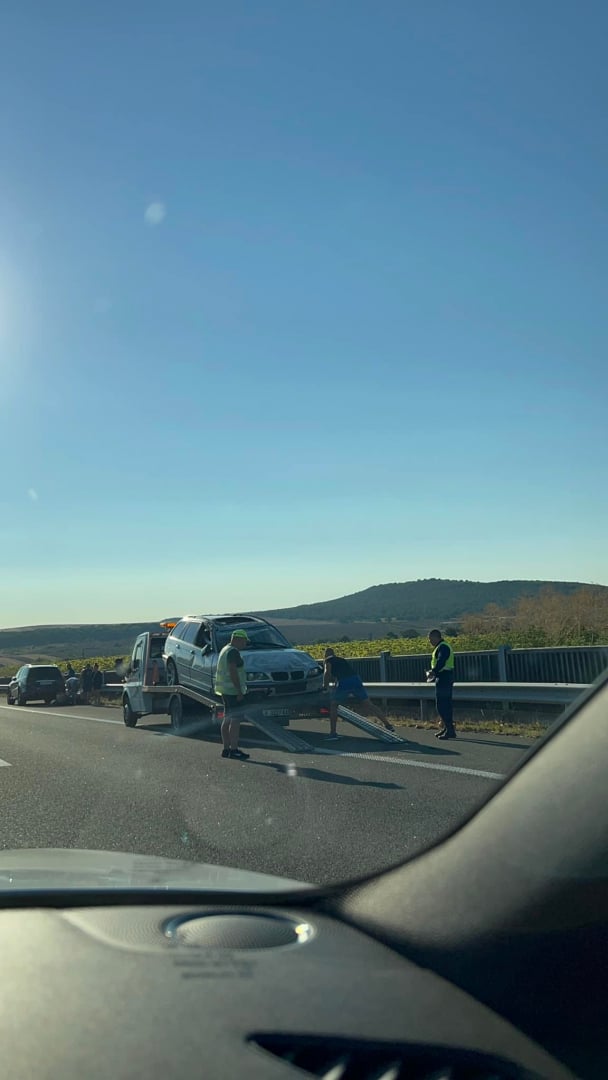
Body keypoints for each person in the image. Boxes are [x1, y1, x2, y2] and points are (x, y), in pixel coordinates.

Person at [323, 648, 395, 741]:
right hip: (356, 679)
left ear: (325, 655)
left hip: (345, 682)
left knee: (334, 705)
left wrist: (325, 686)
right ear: (334, 653)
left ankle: (333, 733)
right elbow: (342, 672)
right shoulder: (341, 660)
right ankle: (388, 725)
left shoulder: (328, 660)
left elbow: (327, 673)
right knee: (369, 704)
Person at [214, 629, 251, 760]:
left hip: (224, 690)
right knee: (235, 721)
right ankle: (234, 749)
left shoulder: (225, 650)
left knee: (227, 718)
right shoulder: (233, 652)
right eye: (244, 641)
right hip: (233, 691)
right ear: (238, 639)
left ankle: (226, 748)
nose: (245, 644)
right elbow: (233, 671)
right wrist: (239, 691)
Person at [426, 629, 456, 739]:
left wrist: (433, 671)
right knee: (446, 705)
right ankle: (447, 729)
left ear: (435, 637)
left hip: (443, 677)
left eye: (430, 639)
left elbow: (441, 660)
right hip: (445, 677)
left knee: (442, 705)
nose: (429, 641)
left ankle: (450, 730)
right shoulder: (443, 646)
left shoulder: (442, 647)